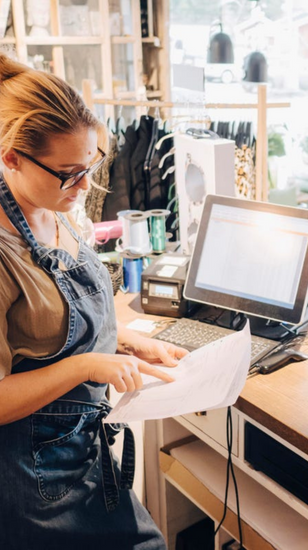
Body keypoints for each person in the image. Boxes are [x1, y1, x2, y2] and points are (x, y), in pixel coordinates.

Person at [0, 54, 187, 549]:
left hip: (84, 456)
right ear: (11, 156)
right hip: (34, 483)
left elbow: (42, 327)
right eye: (68, 173)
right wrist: (88, 366)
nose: (84, 188)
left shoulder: (50, 205)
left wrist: (122, 340)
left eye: (91, 166)